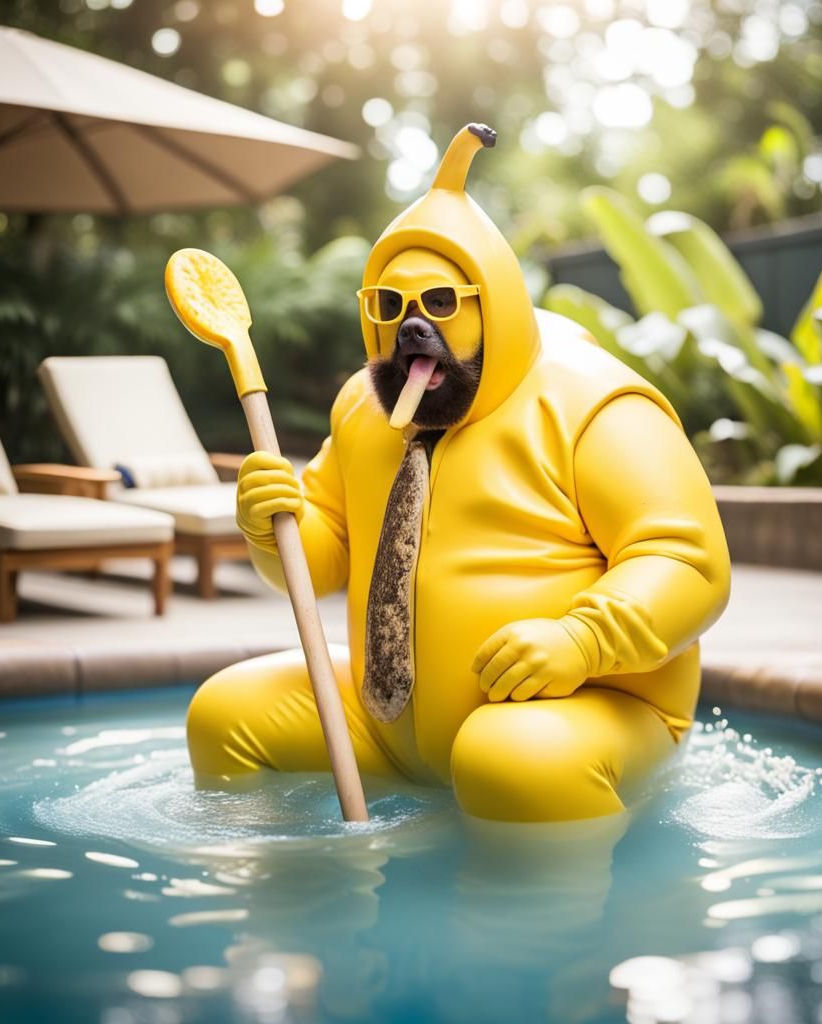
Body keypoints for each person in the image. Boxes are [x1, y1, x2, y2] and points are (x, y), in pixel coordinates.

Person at [186, 123, 731, 822]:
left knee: (511, 762)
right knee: (224, 717)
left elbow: (690, 562)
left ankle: (536, 922)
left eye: (441, 303)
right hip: (386, 724)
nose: (412, 327)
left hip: (587, 704)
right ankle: (310, 903)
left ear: (493, 301)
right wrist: (274, 526)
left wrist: (582, 638)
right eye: (390, 307)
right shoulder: (362, 409)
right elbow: (322, 560)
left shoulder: (593, 404)